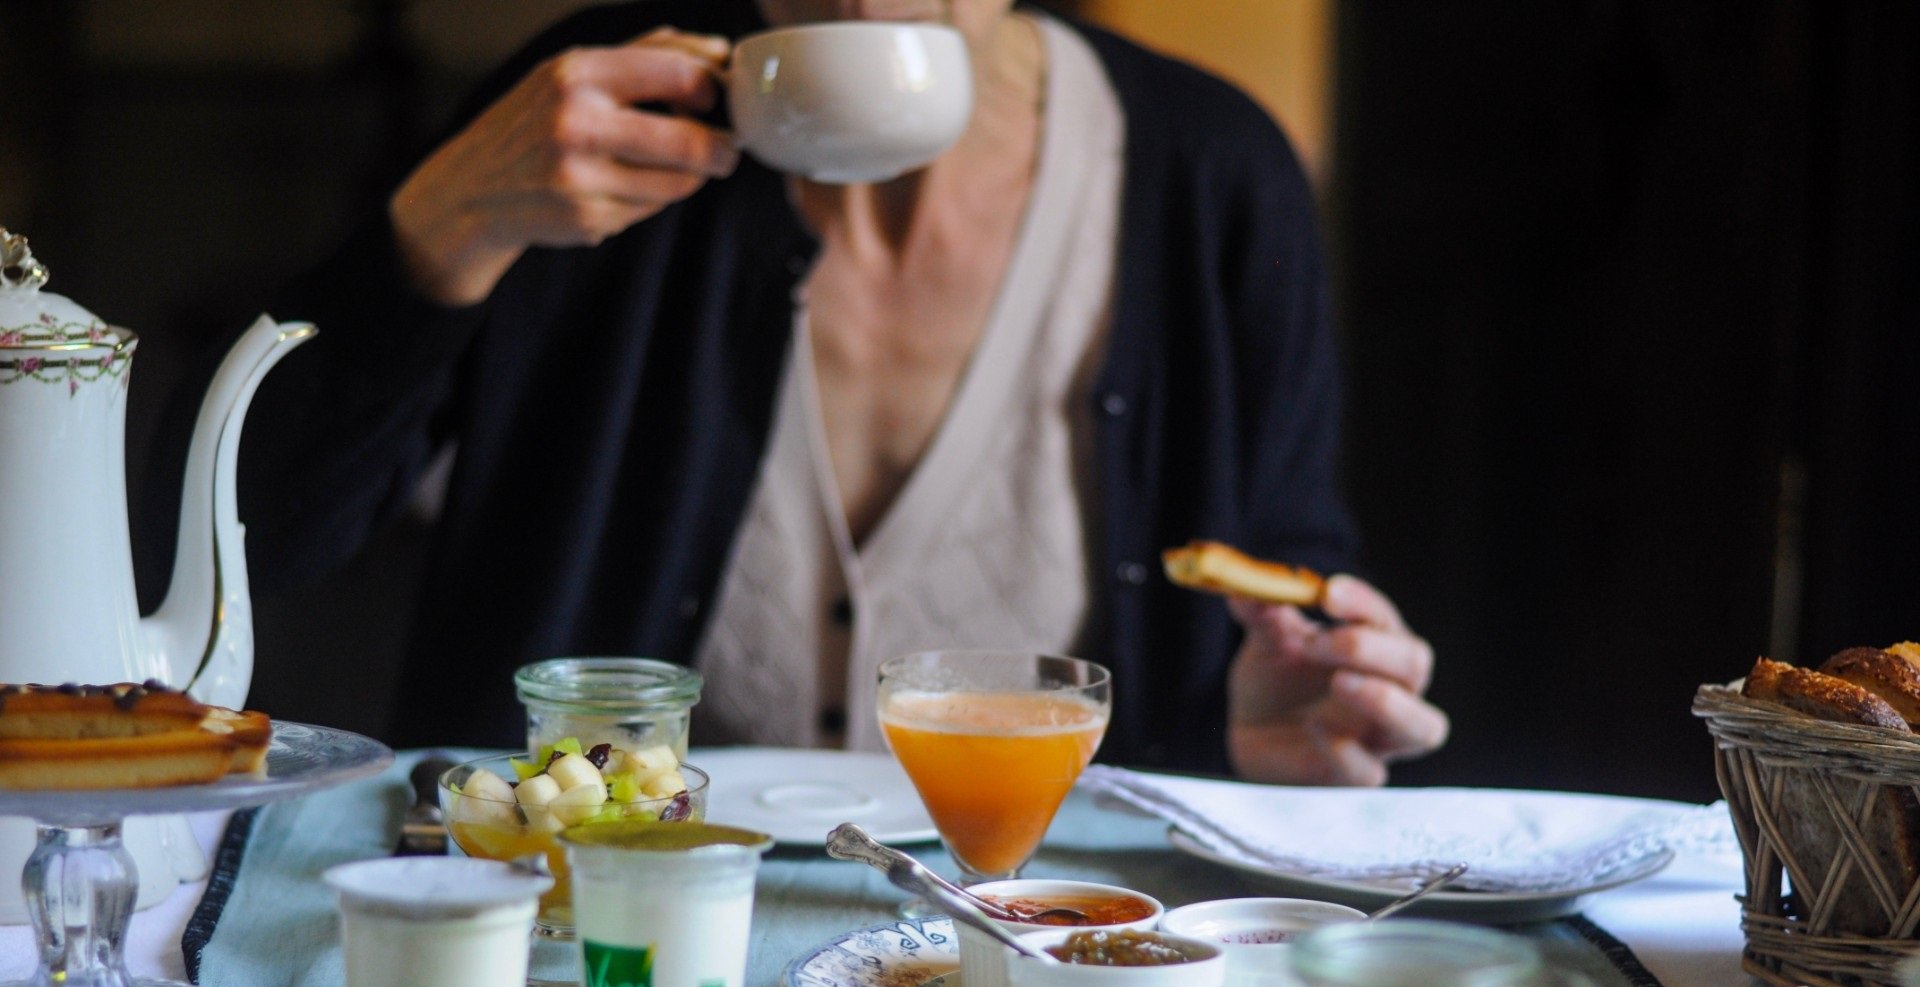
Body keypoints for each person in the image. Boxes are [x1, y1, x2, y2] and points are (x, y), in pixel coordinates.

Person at [206, 0, 1448, 783]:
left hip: (1045, 955)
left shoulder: (1210, 172)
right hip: (598, 932)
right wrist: (442, 224)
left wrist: (1276, 713)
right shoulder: (582, 121)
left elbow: (1274, 583)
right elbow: (223, 547)